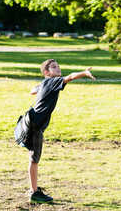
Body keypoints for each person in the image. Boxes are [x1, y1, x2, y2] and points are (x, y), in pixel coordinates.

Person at [27, 59, 96, 203]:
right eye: (54, 67)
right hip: (35, 125)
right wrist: (84, 73)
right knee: (34, 160)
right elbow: (70, 77)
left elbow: (32, 90)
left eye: (58, 66)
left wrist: (39, 87)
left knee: (34, 159)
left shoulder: (46, 83)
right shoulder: (53, 82)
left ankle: (34, 190)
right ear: (47, 72)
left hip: (32, 122)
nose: (58, 69)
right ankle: (34, 193)